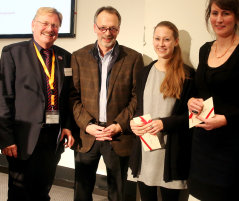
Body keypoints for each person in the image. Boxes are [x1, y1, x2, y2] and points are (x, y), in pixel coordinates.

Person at [187, 0, 239, 200]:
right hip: (202, 143)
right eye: (215, 13)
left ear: (237, 17)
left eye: (226, 13)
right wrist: (191, 101)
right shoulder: (204, 49)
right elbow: (200, 90)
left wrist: (227, 119)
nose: (219, 19)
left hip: (233, 145)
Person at [70, 6, 144, 201]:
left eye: (112, 28)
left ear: (118, 29)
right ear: (95, 28)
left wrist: (119, 125)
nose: (107, 33)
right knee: (82, 190)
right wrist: (87, 125)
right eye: (103, 27)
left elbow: (137, 98)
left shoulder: (134, 59)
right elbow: (73, 97)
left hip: (118, 136)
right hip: (88, 136)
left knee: (118, 192)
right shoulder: (78, 57)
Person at [0, 7, 74, 201]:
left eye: (55, 25)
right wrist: (6, 138)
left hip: (52, 138)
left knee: (43, 190)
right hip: (22, 138)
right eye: (45, 23)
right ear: (33, 25)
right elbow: (4, 97)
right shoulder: (13, 53)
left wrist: (66, 126)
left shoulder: (65, 57)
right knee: (19, 194)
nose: (50, 29)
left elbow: (66, 97)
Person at [128, 21, 195, 201]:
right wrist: (134, 122)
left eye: (166, 39)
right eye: (157, 38)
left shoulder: (187, 75)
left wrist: (163, 123)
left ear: (176, 41)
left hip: (171, 153)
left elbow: (193, 118)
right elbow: (140, 108)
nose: (161, 44)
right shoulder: (144, 73)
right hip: (146, 150)